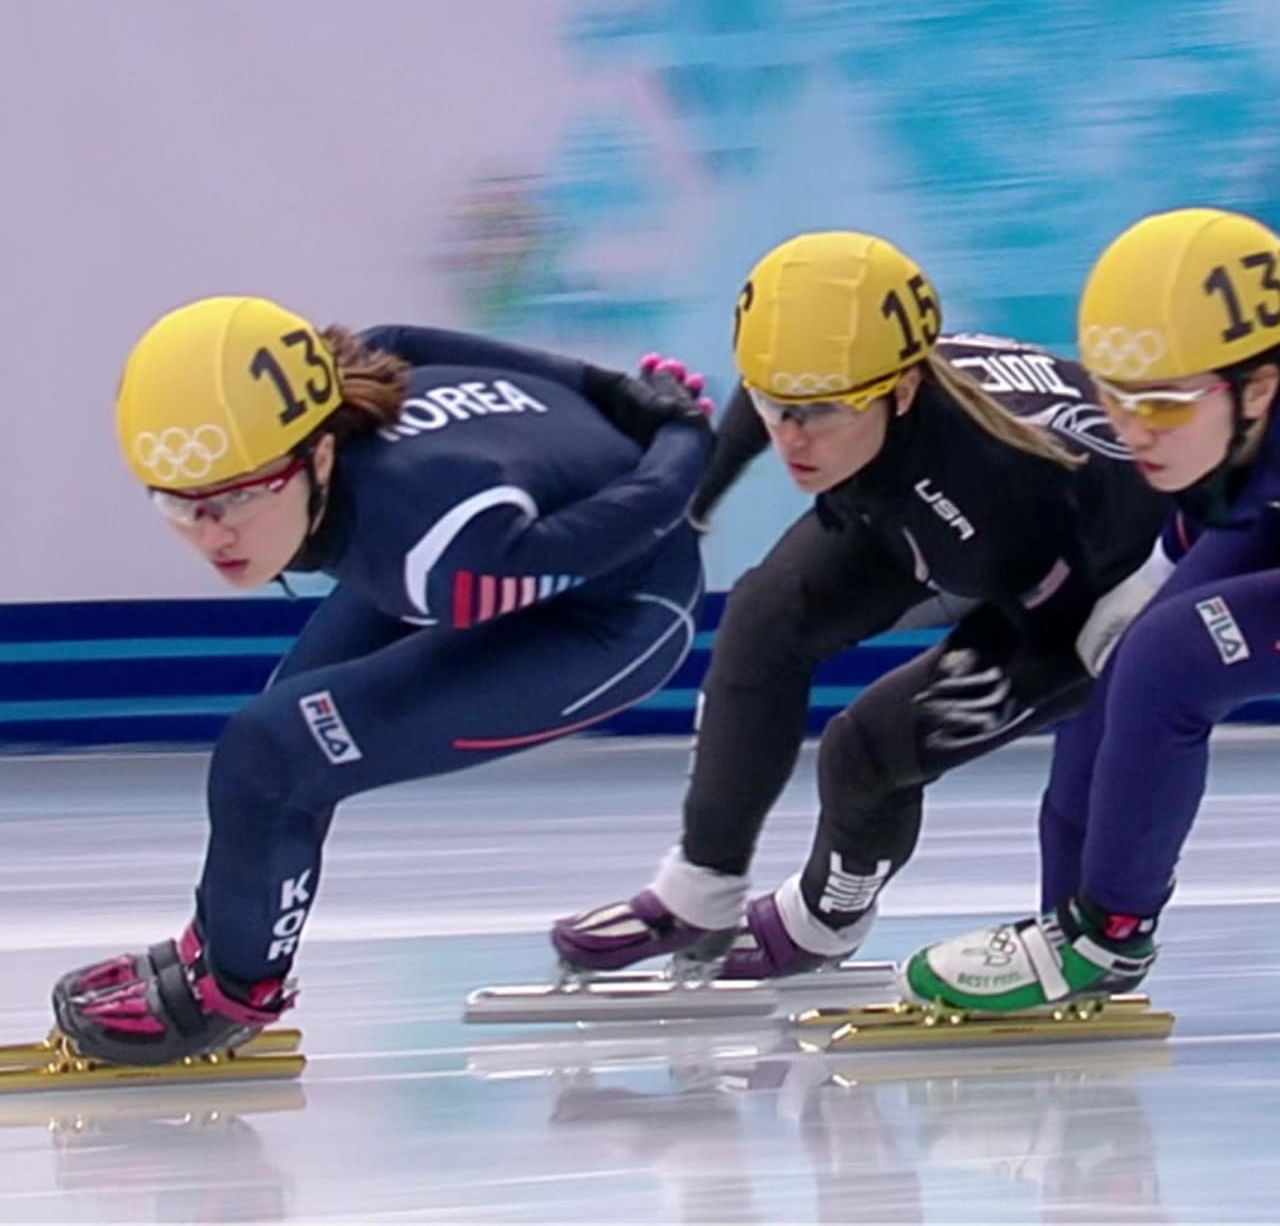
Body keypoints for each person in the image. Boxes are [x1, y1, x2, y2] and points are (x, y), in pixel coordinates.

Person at [53, 297, 713, 1065]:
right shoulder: (346, 385)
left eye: (237, 495)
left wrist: (680, 434)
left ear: (321, 456)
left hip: (619, 614)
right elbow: (397, 339)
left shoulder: (443, 552)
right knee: (277, 728)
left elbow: (652, 511)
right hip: (475, 529)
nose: (214, 535)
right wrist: (610, 388)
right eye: (182, 505)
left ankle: (230, 992)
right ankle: (224, 941)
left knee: (272, 755)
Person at [552, 230, 1168, 979]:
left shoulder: (988, 489)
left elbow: (1049, 630)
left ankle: (823, 919)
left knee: (867, 753)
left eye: (818, 412)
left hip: (1089, 584)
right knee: (759, 618)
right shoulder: (832, 384)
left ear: (904, 387)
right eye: (777, 404)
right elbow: (772, 404)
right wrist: (690, 509)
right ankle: (699, 894)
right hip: (908, 495)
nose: (791, 438)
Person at [904, 207, 1280, 1009]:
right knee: (1118, 660)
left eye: (1166, 404)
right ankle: (1071, 935)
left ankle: (1107, 937)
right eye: (1116, 399)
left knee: (1170, 657)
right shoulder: (1231, 438)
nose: (1137, 432)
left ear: (1260, 388)